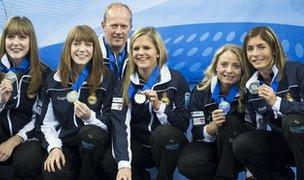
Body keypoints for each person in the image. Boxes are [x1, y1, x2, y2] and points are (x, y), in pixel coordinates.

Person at [101, 26, 190, 180]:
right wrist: (124, 165)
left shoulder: (175, 79)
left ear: (158, 52)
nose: (140, 53)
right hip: (140, 146)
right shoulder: (124, 84)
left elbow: (182, 124)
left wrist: (159, 107)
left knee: (164, 134)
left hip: (167, 145)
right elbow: (120, 125)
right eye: (136, 49)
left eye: (146, 48)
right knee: (110, 163)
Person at [36, 25, 115, 179]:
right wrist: (54, 148)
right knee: (53, 171)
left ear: (95, 49)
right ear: (68, 48)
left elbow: (110, 121)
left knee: (90, 134)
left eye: (88, 44)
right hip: (66, 143)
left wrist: (89, 117)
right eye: (76, 44)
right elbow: (46, 123)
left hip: (95, 144)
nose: (82, 49)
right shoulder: (53, 80)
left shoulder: (107, 78)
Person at [232, 26, 304, 180]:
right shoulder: (251, 87)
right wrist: (251, 172)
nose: (255, 54)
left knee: (293, 122)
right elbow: (256, 127)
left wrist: (277, 103)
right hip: (286, 146)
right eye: (250, 49)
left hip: (301, 137)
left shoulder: (297, 71)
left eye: (261, 47)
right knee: (243, 144)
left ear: (274, 49)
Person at [0, 16, 51, 179]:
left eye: (22, 37)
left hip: (25, 137)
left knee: (29, 160)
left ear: (31, 41)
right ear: (4, 40)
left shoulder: (43, 73)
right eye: (11, 37)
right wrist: (0, 101)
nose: (15, 43)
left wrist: (14, 141)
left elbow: (40, 119)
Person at [177, 44, 249, 179]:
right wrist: (212, 127)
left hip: (236, 149)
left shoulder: (249, 92)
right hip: (208, 146)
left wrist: (251, 170)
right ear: (216, 66)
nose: (229, 70)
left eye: (236, 66)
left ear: (243, 69)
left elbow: (253, 129)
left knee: (231, 122)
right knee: (188, 163)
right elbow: (197, 132)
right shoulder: (200, 91)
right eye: (224, 64)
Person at [99, 2, 132, 79]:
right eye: (114, 26)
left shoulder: (139, 54)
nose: (118, 32)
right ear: (103, 25)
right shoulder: (89, 54)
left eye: (124, 26)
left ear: (130, 27)